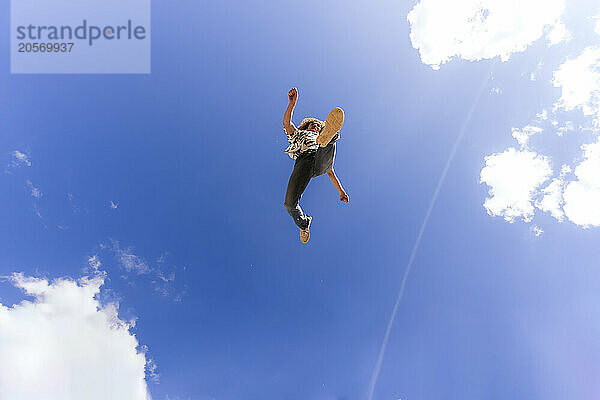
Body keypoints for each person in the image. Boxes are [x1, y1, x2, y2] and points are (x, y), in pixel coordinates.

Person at [282, 87, 349, 243]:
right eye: (313, 126)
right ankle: (304, 223)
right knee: (289, 204)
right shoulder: (299, 134)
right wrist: (291, 104)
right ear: (306, 126)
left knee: (325, 151)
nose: (315, 127)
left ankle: (331, 136)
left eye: (318, 127)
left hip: (320, 160)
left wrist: (341, 191)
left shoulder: (319, 136)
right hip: (303, 163)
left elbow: (331, 173)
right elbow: (287, 124)